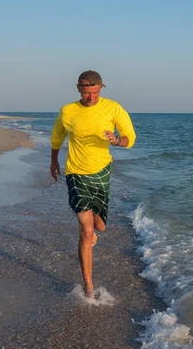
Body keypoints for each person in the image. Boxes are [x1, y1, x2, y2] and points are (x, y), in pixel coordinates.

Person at [50, 70, 136, 298]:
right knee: (86, 230)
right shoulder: (68, 111)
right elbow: (57, 136)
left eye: (95, 92)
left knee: (99, 226)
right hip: (75, 173)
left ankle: (92, 233)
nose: (91, 97)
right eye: (87, 93)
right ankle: (88, 286)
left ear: (101, 89)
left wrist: (117, 140)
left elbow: (130, 137)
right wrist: (53, 161)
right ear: (79, 89)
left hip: (101, 172)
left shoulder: (112, 107)